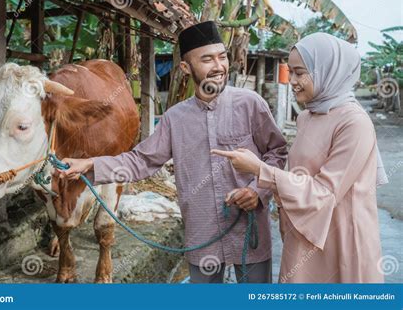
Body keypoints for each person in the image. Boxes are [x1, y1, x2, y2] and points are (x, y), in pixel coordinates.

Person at [56, 21, 288, 283]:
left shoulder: (250, 104)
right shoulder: (175, 118)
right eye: (207, 59)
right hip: (202, 234)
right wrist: (90, 165)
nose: (218, 66)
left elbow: (277, 153)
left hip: (250, 231)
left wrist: (258, 192)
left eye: (222, 57)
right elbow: (141, 160)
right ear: (186, 68)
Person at [212, 32, 388, 283]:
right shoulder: (307, 117)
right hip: (303, 231)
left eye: (300, 72)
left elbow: (325, 192)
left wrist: (260, 169)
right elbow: (297, 174)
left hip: (341, 238)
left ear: (328, 71)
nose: (291, 80)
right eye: (290, 71)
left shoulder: (354, 123)